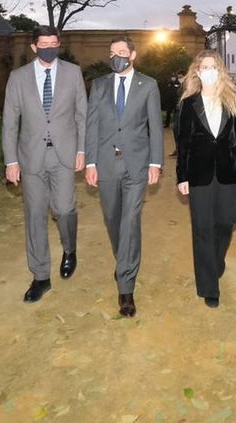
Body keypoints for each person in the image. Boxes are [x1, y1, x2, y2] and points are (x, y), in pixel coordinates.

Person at [2, 26, 87, 304]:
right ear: (34, 47)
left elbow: (82, 115)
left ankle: (69, 249)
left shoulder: (73, 73)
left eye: (54, 43)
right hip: (31, 156)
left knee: (64, 209)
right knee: (35, 215)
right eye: (44, 44)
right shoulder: (18, 77)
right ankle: (40, 276)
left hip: (64, 154)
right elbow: (10, 122)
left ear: (58, 44)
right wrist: (11, 160)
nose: (49, 48)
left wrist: (82, 149)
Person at [85, 36, 164, 317]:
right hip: (106, 163)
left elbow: (155, 125)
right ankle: (124, 261)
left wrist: (155, 162)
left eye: (121, 51)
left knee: (130, 220)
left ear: (132, 55)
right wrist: (90, 162)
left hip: (136, 164)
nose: (115, 56)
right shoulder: (100, 85)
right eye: (112, 52)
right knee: (113, 219)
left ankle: (126, 286)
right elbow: (92, 125)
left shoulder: (148, 85)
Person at [175, 50, 236, 308]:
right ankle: (208, 286)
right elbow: (183, 143)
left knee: (227, 222)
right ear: (197, 71)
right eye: (204, 67)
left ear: (220, 70)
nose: (209, 71)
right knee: (203, 228)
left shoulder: (234, 100)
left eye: (213, 66)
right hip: (198, 174)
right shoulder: (188, 104)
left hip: (228, 172)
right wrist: (182, 176)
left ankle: (215, 262)